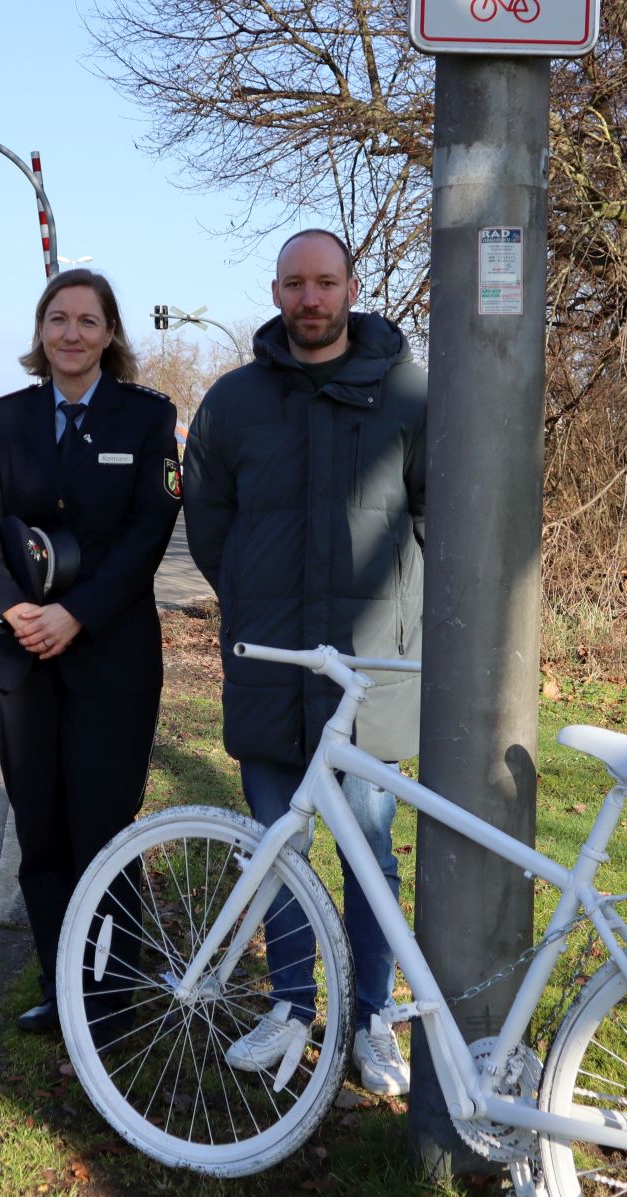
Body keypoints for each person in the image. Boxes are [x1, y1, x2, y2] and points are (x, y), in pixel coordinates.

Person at [183, 229, 426, 1095]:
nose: (311, 300)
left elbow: (439, 519)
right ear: (276, 290)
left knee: (371, 854)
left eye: (326, 283)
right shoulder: (234, 401)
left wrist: (399, 624)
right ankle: (289, 1004)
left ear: (352, 287)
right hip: (269, 661)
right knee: (274, 848)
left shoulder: (407, 392)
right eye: (295, 285)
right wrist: (252, 596)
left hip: (369, 677)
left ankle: (372, 1019)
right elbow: (210, 523)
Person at [0, 268, 182, 1035]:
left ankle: (114, 995)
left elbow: (146, 534)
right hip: (20, 658)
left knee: (103, 827)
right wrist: (9, 607)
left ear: (111, 333)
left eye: (88, 321)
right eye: (58, 319)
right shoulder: (9, 417)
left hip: (110, 658)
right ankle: (63, 989)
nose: (72, 334)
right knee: (42, 829)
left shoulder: (147, 420)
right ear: (40, 332)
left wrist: (76, 615)